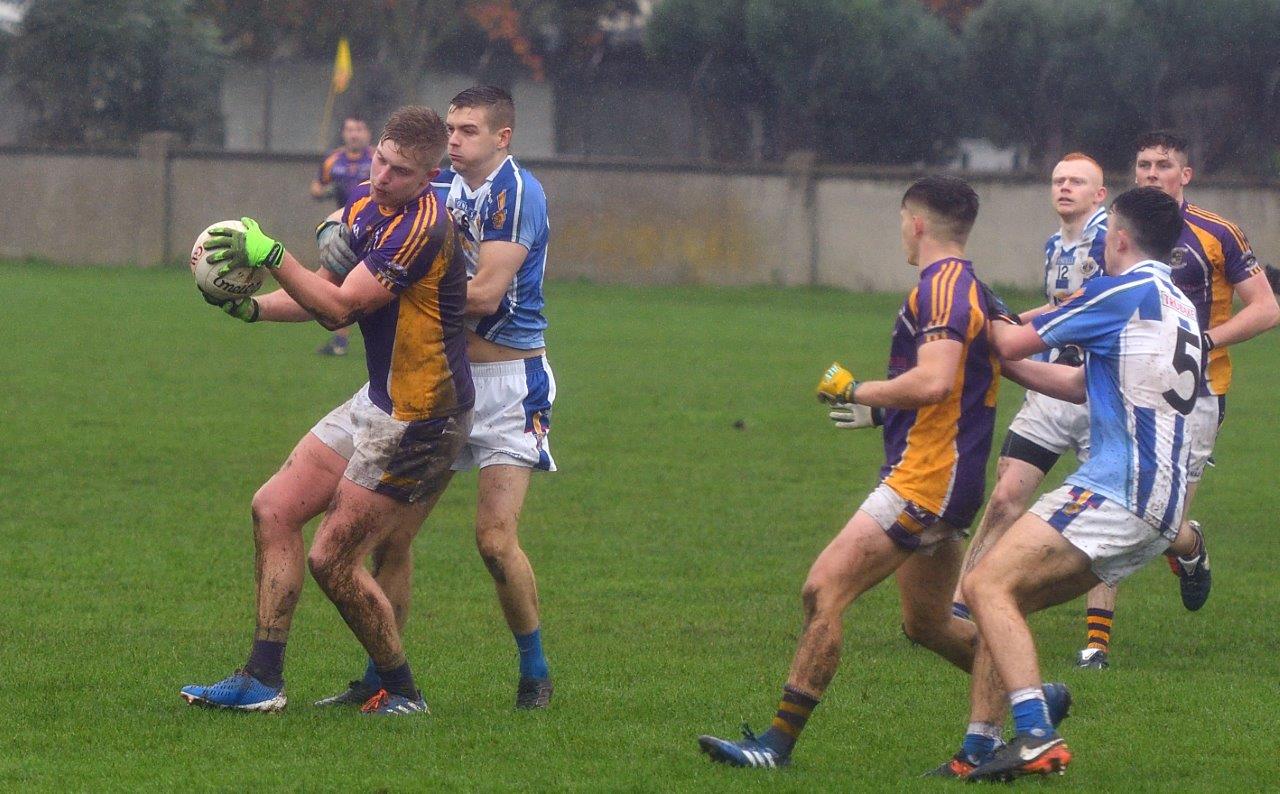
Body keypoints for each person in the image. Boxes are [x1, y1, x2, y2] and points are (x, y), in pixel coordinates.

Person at [697, 176, 1068, 768]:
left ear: (916, 223)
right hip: (947, 479)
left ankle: (774, 747)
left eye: (902, 222)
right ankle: (1030, 697)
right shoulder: (972, 286)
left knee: (824, 589)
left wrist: (855, 388)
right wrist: (878, 413)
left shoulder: (941, 289)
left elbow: (937, 380)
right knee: (927, 624)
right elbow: (987, 368)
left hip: (925, 480)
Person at [179, 105, 473, 715]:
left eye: (398, 171)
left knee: (333, 560)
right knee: (274, 508)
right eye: (380, 161)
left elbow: (340, 312)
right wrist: (255, 308)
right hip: (380, 397)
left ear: (428, 178)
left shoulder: (425, 227)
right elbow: (324, 292)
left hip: (423, 416)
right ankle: (262, 681)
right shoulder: (367, 209)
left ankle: (405, 693)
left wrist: (270, 253)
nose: (381, 177)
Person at [947, 187, 1206, 781]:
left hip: (1120, 487)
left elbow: (1010, 338)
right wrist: (1003, 362)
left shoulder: (1122, 288)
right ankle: (978, 749)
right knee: (1003, 599)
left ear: (1118, 237)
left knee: (984, 581)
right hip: (1158, 507)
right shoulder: (1177, 303)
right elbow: (1080, 385)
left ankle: (1037, 734)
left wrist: (973, 305)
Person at [313, 86, 557, 710]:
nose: (454, 140)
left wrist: (387, 281)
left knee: (494, 541)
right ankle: (381, 679)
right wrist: (336, 233)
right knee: (392, 541)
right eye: (450, 128)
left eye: (469, 130)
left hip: (507, 387)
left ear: (503, 137)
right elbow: (367, 212)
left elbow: (485, 293)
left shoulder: (519, 194)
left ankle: (535, 671)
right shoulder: (438, 188)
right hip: (440, 386)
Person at [948, 153, 1122, 670]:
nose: (1065, 187)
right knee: (1005, 496)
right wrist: (1007, 328)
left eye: (1078, 181)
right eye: (1059, 180)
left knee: (1105, 516)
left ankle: (1096, 641)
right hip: (1050, 389)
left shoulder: (1108, 239)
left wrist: (1003, 328)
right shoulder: (1055, 243)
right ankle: (958, 605)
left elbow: (1081, 308)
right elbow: (1058, 307)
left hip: (1099, 392)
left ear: (1100, 194)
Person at [1133, 131, 1278, 612]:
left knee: (1159, 524)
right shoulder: (1114, 232)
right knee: (1121, 499)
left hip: (1198, 391)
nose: (1152, 174)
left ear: (1185, 175)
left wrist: (1205, 341)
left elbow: (1265, 308)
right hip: (1130, 384)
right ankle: (1096, 643)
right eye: (1144, 165)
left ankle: (1189, 545)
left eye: (1163, 165)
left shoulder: (1217, 233)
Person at [310, 115, 373, 357]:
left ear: (367, 133)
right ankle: (341, 341)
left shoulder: (377, 158)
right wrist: (328, 191)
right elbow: (315, 188)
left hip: (377, 229)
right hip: (344, 232)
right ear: (343, 133)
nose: (354, 134)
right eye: (349, 129)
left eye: (358, 129)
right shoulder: (333, 160)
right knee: (343, 284)